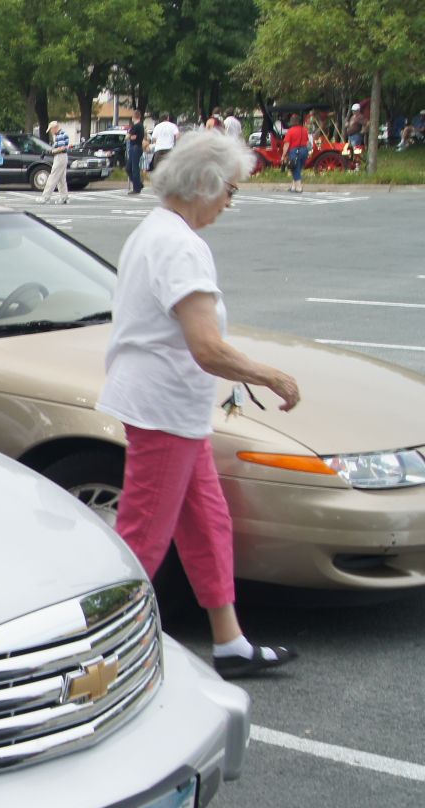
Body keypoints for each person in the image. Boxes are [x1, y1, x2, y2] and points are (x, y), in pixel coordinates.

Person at [97, 130, 301, 679]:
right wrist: (271, 376)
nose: (229, 203)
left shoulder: (156, 231)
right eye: (230, 191)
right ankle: (103, 652)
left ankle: (229, 640)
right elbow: (206, 347)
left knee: (206, 522)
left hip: (171, 407)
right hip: (165, 407)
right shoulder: (180, 244)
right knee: (143, 535)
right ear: (206, 184)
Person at [40, 120, 71, 204]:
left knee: (53, 177)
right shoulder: (63, 134)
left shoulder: (60, 135)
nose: (51, 132)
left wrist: (51, 152)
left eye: (51, 129)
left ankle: (45, 197)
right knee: (61, 178)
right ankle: (64, 197)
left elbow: (61, 148)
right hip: (64, 157)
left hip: (60, 157)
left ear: (54, 128)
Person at [283, 112, 310, 193]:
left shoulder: (290, 131)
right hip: (304, 151)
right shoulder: (304, 130)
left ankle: (299, 187)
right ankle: (293, 187)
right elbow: (307, 142)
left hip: (294, 151)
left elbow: (286, 144)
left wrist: (283, 155)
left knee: (294, 169)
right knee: (298, 168)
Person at [125, 109, 146, 194]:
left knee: (134, 168)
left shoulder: (136, 126)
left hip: (135, 148)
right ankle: (138, 184)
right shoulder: (140, 126)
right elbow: (131, 136)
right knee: (129, 168)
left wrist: (130, 136)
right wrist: (131, 136)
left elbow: (127, 137)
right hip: (136, 147)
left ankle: (136, 188)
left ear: (134, 117)